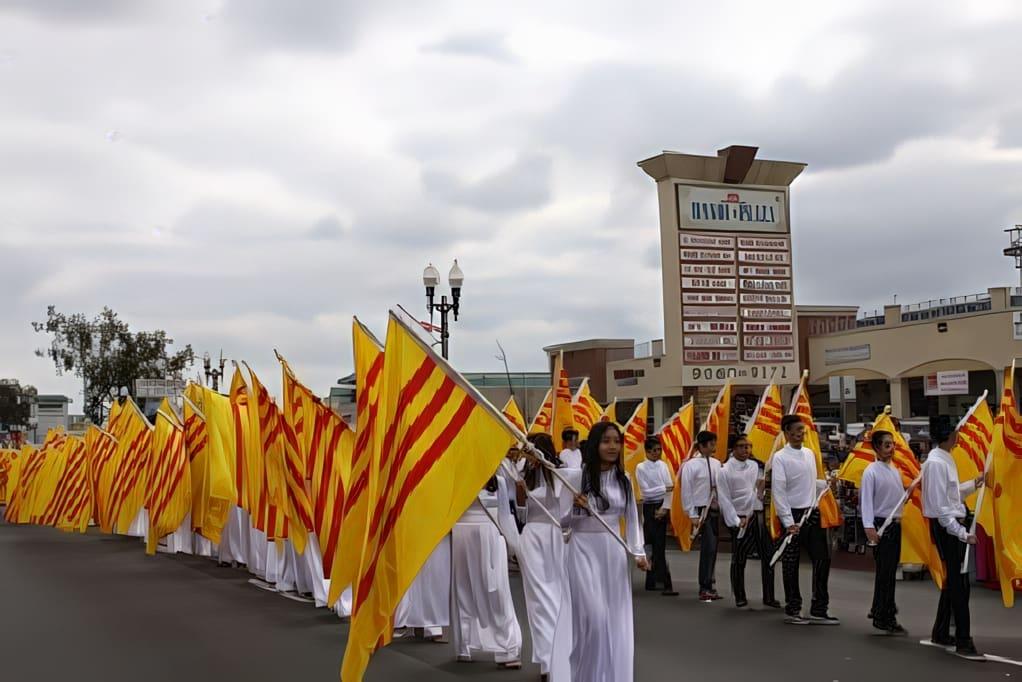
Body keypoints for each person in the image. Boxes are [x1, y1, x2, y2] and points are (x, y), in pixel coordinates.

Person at [565, 421, 648, 682]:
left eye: (616, 441)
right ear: (595, 444)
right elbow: (561, 522)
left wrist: (638, 551)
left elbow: (632, 518)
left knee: (614, 619)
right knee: (594, 619)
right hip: (582, 550)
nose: (613, 446)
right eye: (606, 441)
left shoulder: (624, 480)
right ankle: (585, 676)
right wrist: (575, 507)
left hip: (613, 553)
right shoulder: (577, 477)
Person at [922, 415, 987, 660]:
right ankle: (963, 640)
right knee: (960, 585)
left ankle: (941, 632)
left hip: (950, 524)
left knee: (955, 582)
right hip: (948, 527)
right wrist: (961, 533)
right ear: (950, 436)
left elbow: (951, 495)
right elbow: (941, 508)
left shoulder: (943, 458)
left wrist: (974, 484)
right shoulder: (937, 463)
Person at [451, 474, 523, 668]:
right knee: (463, 590)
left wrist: (516, 547)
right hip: (461, 533)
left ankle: (506, 647)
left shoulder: (498, 480)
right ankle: (464, 644)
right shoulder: (456, 476)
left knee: (496, 591)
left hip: (489, 535)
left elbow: (505, 515)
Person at [516, 433, 572, 681]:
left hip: (555, 536)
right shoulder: (523, 471)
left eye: (529, 450)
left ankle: (562, 654)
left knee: (558, 594)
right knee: (538, 598)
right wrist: (519, 491)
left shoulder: (560, 472)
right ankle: (546, 661)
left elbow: (567, 507)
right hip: (532, 536)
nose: (525, 455)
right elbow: (520, 511)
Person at [773, 414, 838, 624]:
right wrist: (787, 520)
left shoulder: (809, 453)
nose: (802, 433)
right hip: (793, 516)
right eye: (798, 430)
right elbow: (779, 491)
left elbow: (810, 481)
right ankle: (793, 608)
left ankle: (819, 608)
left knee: (822, 559)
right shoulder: (780, 457)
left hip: (812, 512)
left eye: (803, 430)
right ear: (787, 432)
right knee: (791, 563)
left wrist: (826, 483)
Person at [717, 433, 778, 609]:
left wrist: (762, 488)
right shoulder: (724, 470)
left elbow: (760, 489)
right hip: (740, 517)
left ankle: (769, 596)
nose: (747, 450)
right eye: (742, 446)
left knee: (768, 556)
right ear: (733, 449)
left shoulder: (755, 466)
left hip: (757, 514)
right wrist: (736, 520)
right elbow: (724, 498)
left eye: (749, 446)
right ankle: (739, 596)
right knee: (739, 558)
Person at [861, 429, 911, 634]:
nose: (891, 449)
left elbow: (897, 499)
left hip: (895, 524)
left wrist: (908, 494)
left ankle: (881, 609)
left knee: (889, 572)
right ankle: (884, 615)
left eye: (893, 445)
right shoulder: (871, 471)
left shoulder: (895, 470)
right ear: (877, 447)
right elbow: (866, 501)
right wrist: (869, 527)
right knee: (885, 573)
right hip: (881, 525)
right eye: (887, 445)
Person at [681, 430, 723, 602]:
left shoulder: (717, 463)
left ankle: (710, 584)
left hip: (714, 509)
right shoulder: (690, 465)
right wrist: (691, 513)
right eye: (711, 444)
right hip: (700, 509)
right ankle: (704, 586)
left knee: (713, 549)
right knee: (708, 548)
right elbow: (686, 490)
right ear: (702, 445)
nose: (714, 447)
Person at [634, 436, 677, 596]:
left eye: (659, 450)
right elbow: (646, 491)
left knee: (660, 546)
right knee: (650, 544)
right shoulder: (641, 467)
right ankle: (651, 580)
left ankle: (665, 582)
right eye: (654, 451)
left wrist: (665, 508)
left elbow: (670, 489)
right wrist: (664, 489)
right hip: (649, 506)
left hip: (661, 505)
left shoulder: (663, 466)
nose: (657, 453)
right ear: (647, 452)